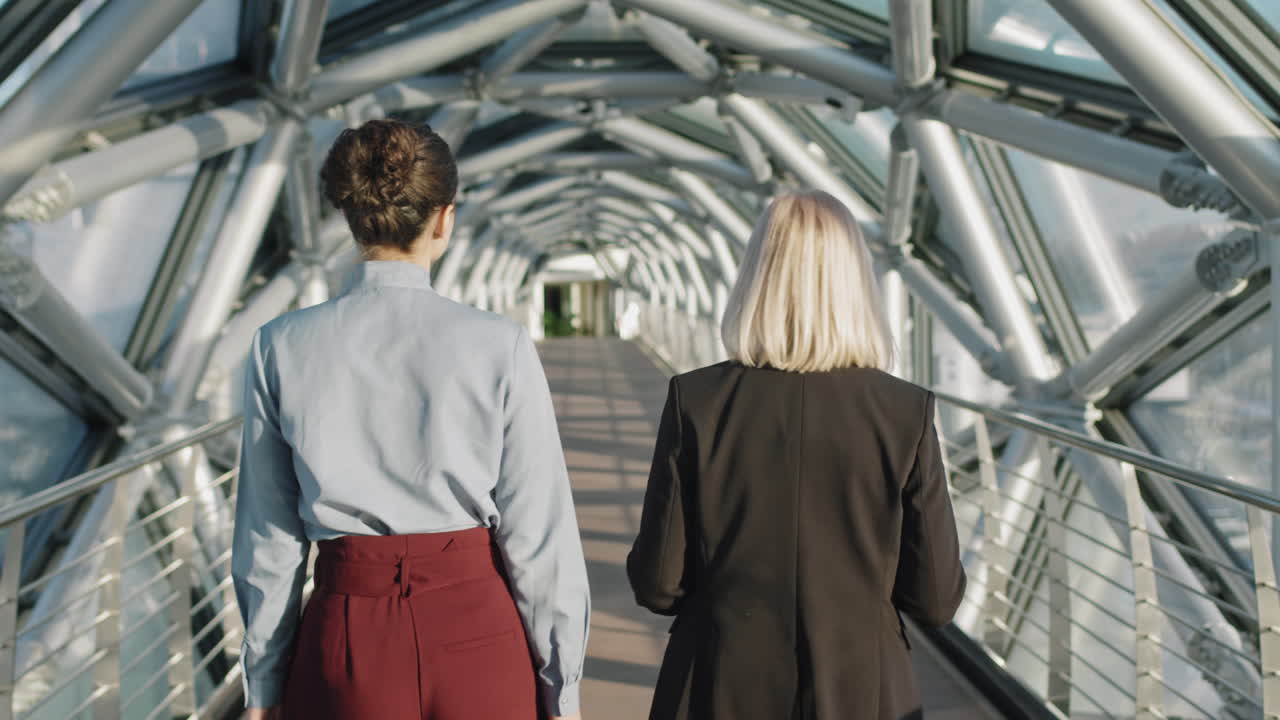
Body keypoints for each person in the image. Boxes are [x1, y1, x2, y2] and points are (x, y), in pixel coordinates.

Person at [231, 119, 590, 720]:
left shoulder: (280, 345)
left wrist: (264, 687)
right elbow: (538, 533)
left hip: (346, 632)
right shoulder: (498, 344)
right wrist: (564, 690)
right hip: (477, 629)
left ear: (352, 220)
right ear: (444, 219)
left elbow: (267, 538)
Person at [627, 190, 966, 720]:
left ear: (757, 278)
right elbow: (936, 599)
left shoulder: (695, 400)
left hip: (719, 683)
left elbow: (657, 584)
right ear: (854, 284)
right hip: (864, 691)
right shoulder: (906, 412)